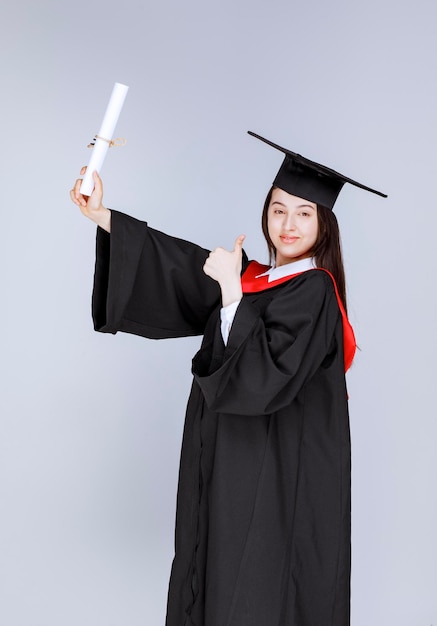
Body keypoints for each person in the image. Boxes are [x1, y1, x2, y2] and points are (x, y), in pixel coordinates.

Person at [70, 131, 386, 626]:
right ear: (266, 213)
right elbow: (177, 265)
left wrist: (231, 296)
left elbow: (267, 373)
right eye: (279, 209)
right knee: (217, 582)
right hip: (229, 470)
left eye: (305, 213)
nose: (288, 224)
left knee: (259, 592)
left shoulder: (315, 292)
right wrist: (102, 216)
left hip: (277, 484)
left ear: (324, 224)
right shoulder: (257, 277)